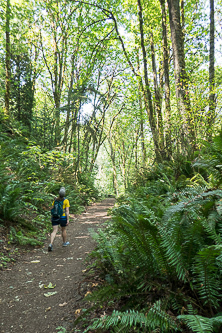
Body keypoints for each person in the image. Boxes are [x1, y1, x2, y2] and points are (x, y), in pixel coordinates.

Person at [48, 187, 70, 251]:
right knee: (63, 229)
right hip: (63, 217)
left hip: (55, 217)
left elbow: (52, 208)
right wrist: (67, 219)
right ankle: (64, 243)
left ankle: (51, 244)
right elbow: (67, 210)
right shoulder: (66, 201)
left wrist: (52, 216)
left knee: (54, 231)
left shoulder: (55, 200)